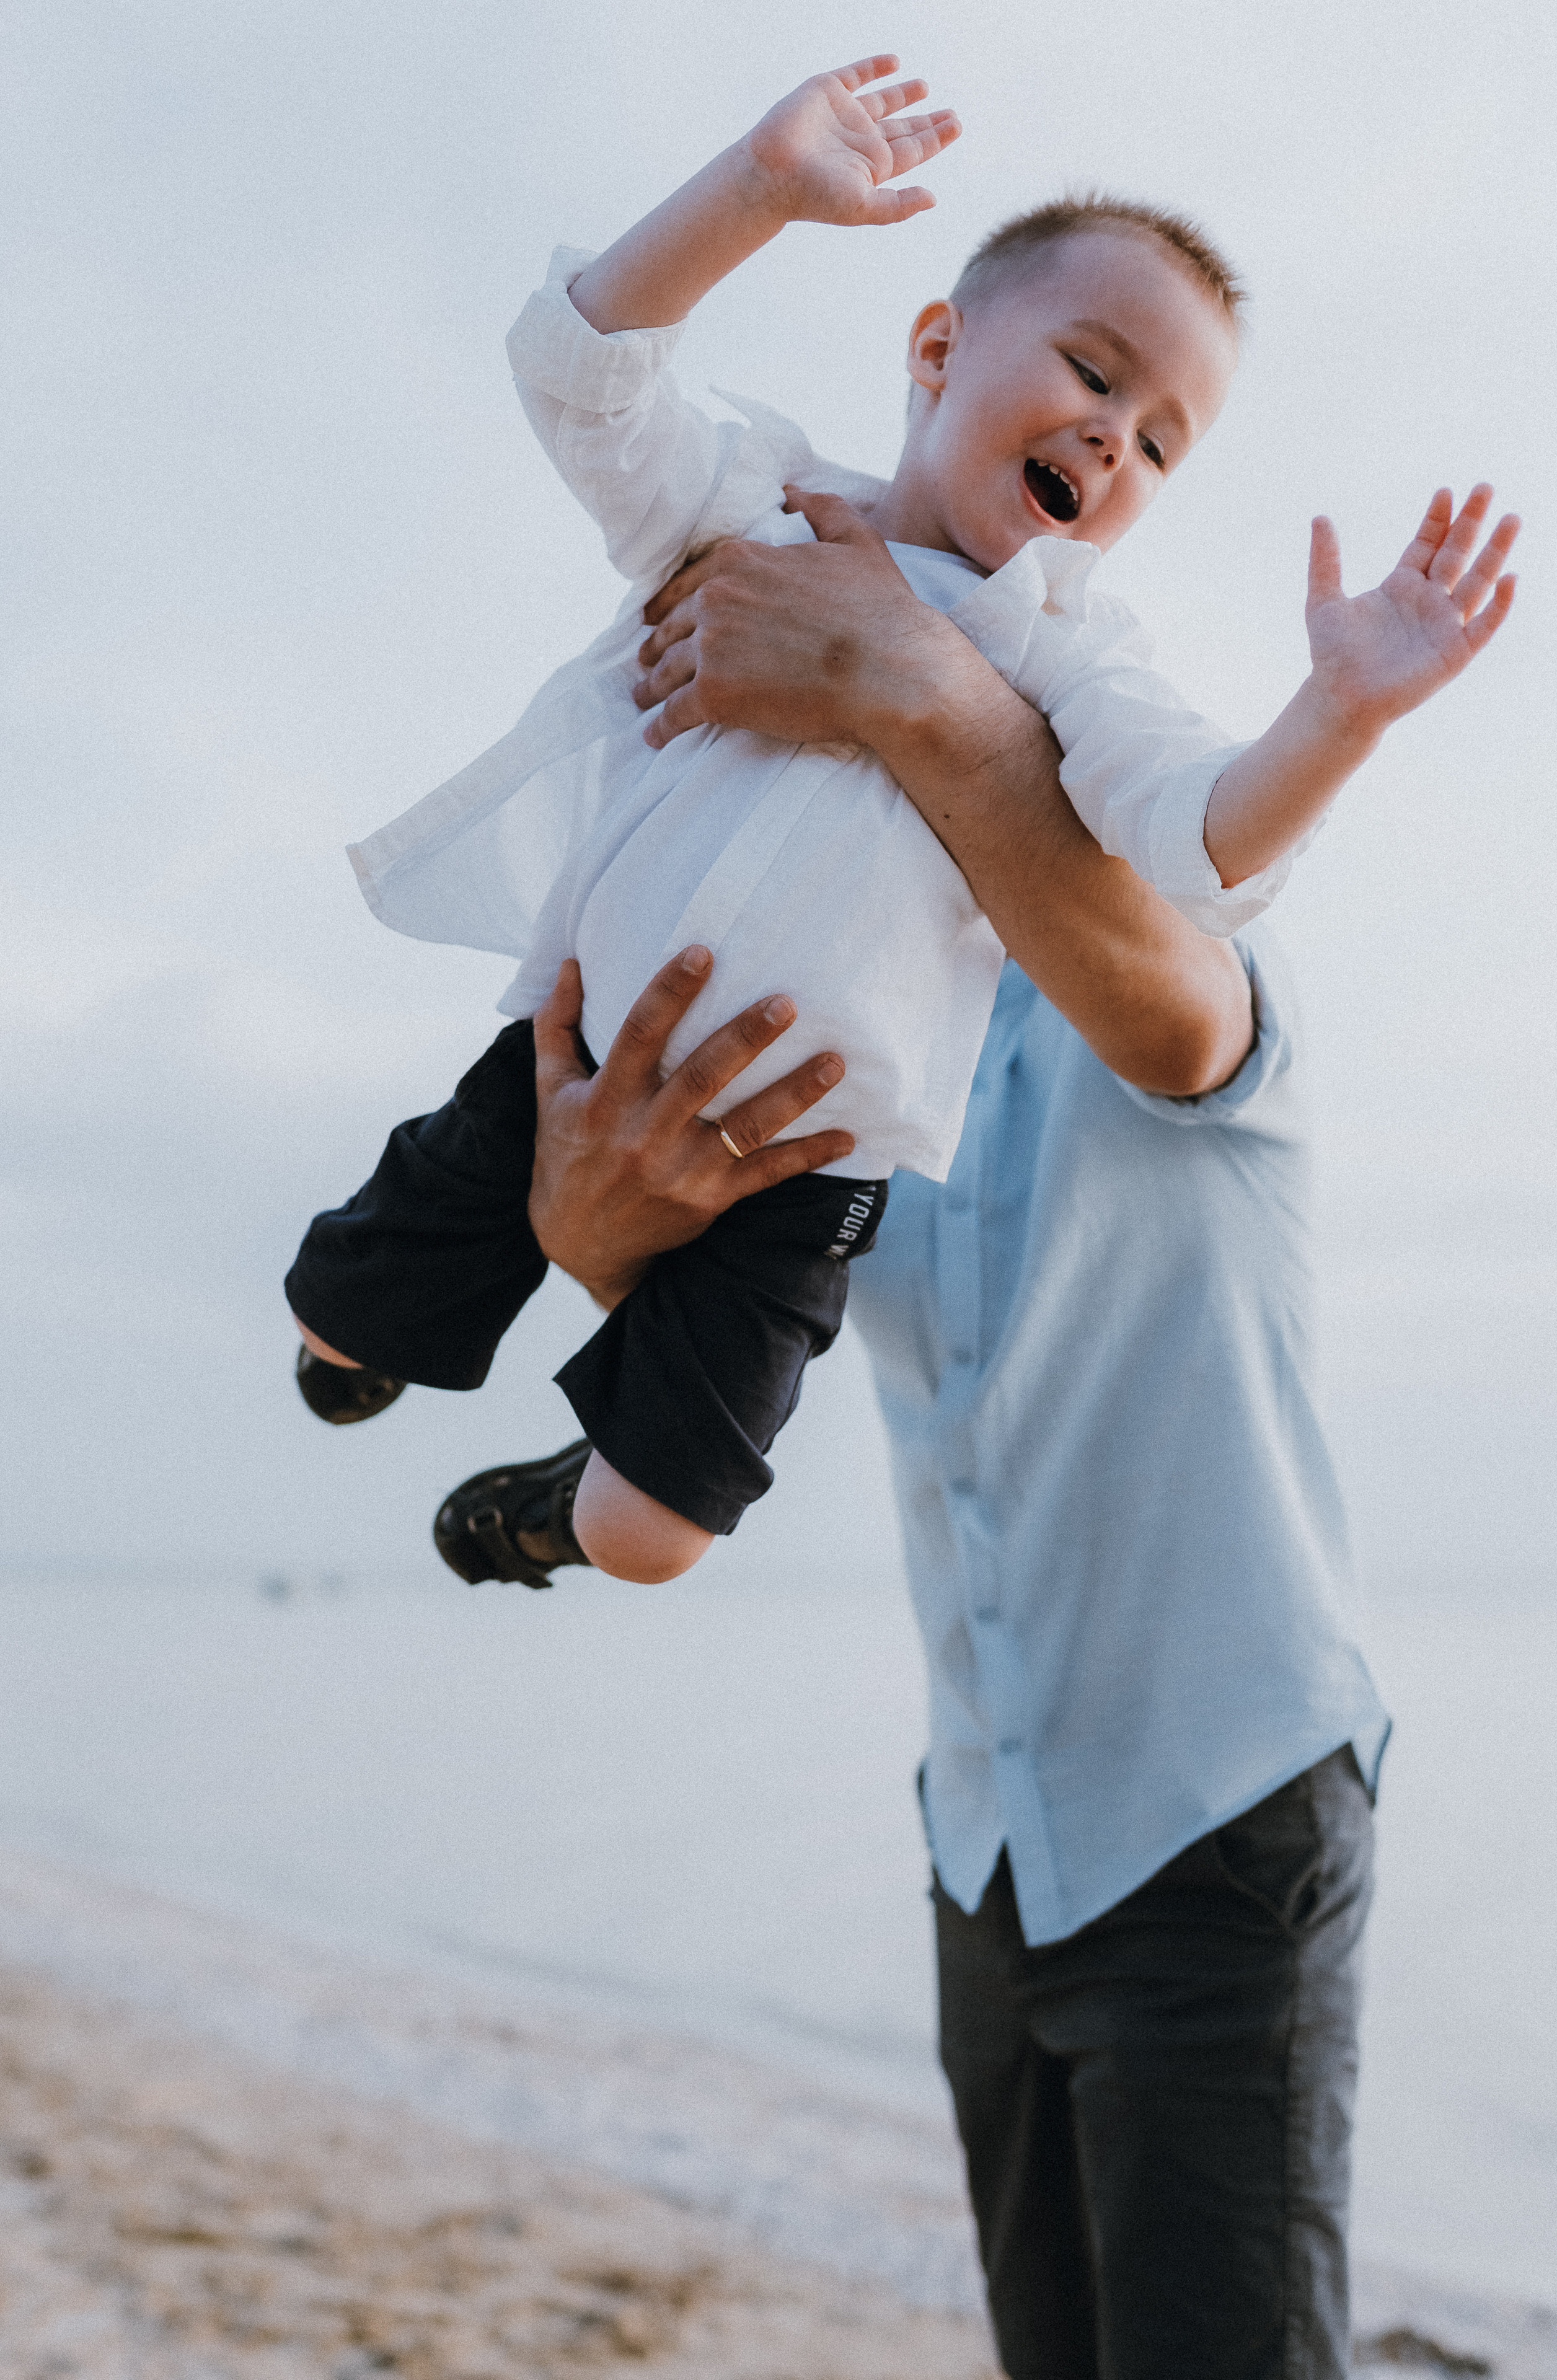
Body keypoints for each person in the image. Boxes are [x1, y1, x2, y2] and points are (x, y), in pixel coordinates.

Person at [283, 55, 1517, 1587]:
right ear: (937, 346)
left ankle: (553, 1494)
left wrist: (1335, 718)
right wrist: (751, 190)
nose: (1112, 441)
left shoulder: (1064, 665)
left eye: (1155, 443)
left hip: (807, 1154)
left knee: (649, 1536)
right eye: (1092, 372)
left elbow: (1203, 838)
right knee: (337, 1318)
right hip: (573, 1036)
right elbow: (582, 373)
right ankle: (364, 1348)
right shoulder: (757, 508)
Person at [491, 511, 1394, 2375]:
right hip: (989, 1836)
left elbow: (1162, 1005)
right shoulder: (852, 1067)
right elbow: (712, 1356)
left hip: (1221, 1818)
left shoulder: (1199, 982)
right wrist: (598, 1246)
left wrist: (892, 662)